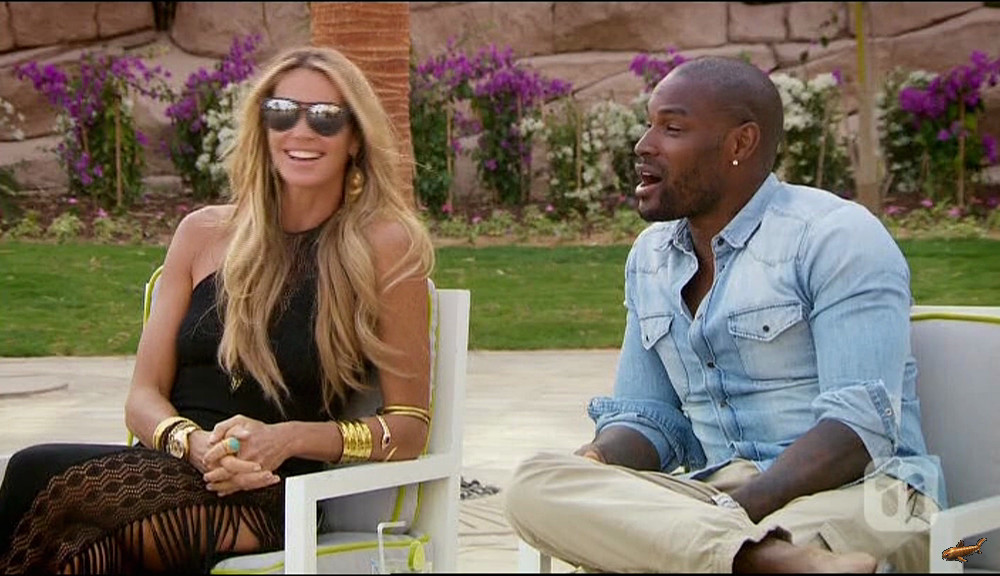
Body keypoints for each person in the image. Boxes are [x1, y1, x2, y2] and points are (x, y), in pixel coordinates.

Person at [0, 45, 435, 573]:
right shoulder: (202, 233)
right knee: (78, 555)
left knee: (33, 471)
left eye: (325, 117)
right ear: (263, 127)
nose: (301, 131)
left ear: (356, 138)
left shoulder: (385, 247)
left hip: (269, 495)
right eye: (282, 112)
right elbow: (142, 397)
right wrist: (197, 445)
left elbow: (409, 428)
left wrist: (284, 440)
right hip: (166, 473)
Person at [503, 56, 946, 573]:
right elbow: (648, 419)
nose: (644, 145)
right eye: (649, 125)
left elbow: (857, 430)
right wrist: (596, 464)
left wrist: (730, 512)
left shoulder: (835, 236)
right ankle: (765, 560)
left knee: (656, 552)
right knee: (535, 483)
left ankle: (748, 556)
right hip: (718, 497)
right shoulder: (651, 258)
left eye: (672, 129)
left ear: (740, 143)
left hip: (870, 497)